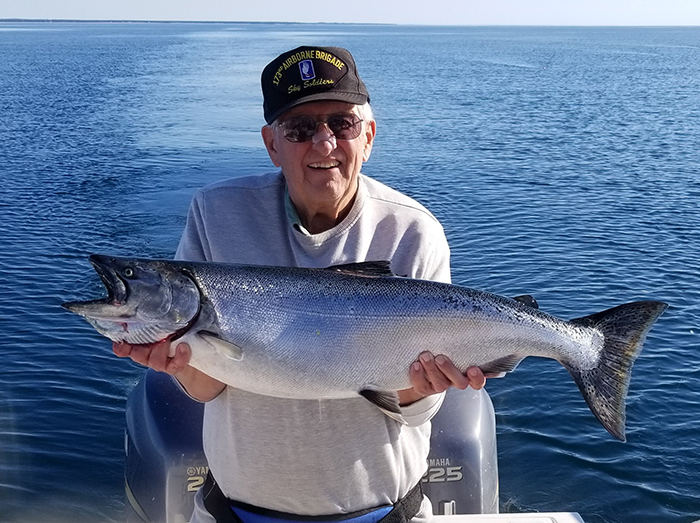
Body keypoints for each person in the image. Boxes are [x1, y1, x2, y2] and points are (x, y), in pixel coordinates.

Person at [113, 46, 487, 523]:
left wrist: (423, 388)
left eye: (341, 124)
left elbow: (415, 412)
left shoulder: (413, 231)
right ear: (272, 144)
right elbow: (208, 388)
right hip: (236, 512)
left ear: (368, 136)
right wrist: (176, 363)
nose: (323, 143)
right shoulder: (215, 213)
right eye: (300, 129)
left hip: (385, 513)